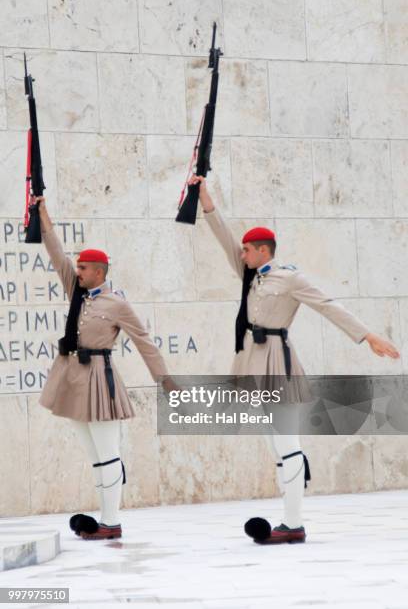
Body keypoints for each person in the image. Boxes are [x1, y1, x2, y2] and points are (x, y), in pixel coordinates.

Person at [191, 175, 400, 545]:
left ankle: (293, 524)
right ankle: (288, 520)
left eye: (247, 250)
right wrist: (205, 199)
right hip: (251, 362)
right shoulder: (249, 277)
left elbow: (326, 305)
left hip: (276, 363)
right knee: (276, 443)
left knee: (287, 443)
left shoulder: (289, 279)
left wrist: (367, 335)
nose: (241, 254)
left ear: (262, 251)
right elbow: (223, 238)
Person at [34, 196, 173, 540]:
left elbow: (144, 341)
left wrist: (165, 380)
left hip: (99, 379)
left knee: (107, 452)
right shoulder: (77, 292)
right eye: (77, 268)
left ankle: (111, 522)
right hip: (73, 378)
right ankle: (104, 518)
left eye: (83, 268)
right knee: (94, 453)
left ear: (98, 272)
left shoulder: (117, 303)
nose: (77, 271)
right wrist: (42, 213)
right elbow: (56, 255)